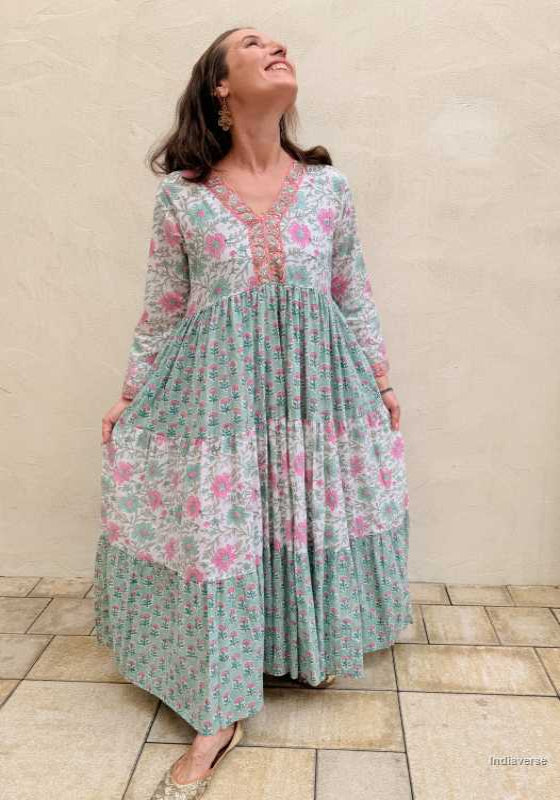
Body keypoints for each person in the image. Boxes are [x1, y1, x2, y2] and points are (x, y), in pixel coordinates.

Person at [94, 25, 412, 799]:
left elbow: (351, 292)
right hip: (218, 392)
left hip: (315, 390)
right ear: (221, 88)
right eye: (252, 44)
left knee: (301, 513)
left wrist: (381, 379)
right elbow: (164, 310)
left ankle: (299, 646)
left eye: (279, 42)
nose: (277, 47)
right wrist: (132, 396)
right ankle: (218, 706)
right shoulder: (184, 196)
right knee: (222, 532)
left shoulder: (329, 188)